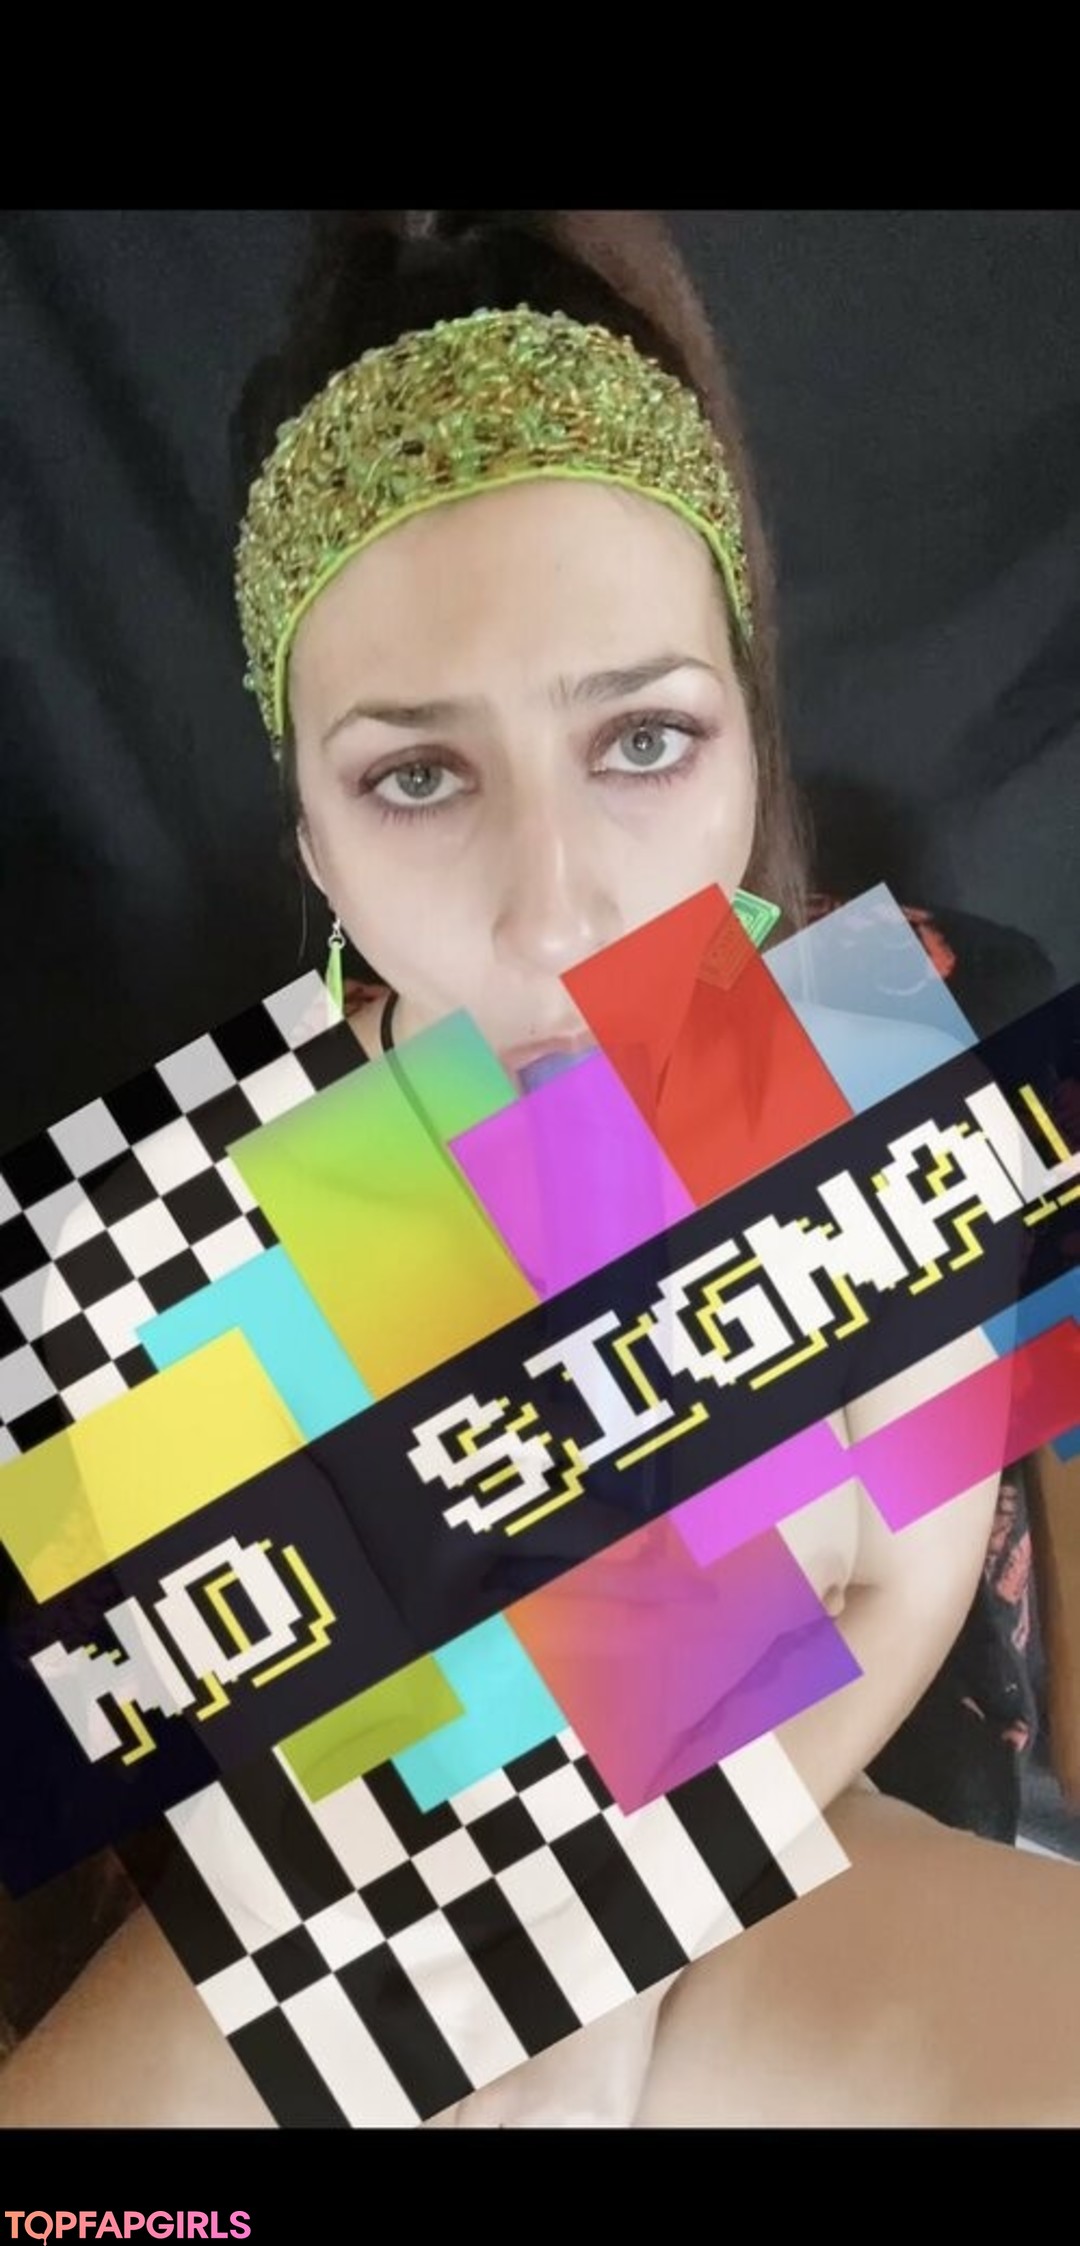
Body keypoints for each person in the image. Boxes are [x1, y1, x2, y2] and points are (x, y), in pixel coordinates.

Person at [1, 209, 1079, 2131]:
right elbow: (327, 1786)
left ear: (746, 737)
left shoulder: (879, 1031)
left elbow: (887, 1611)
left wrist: (598, 2005)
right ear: (308, 831)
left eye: (643, 740)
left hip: (810, 1862)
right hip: (398, 1923)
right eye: (418, 777)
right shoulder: (182, 1215)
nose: (560, 907)